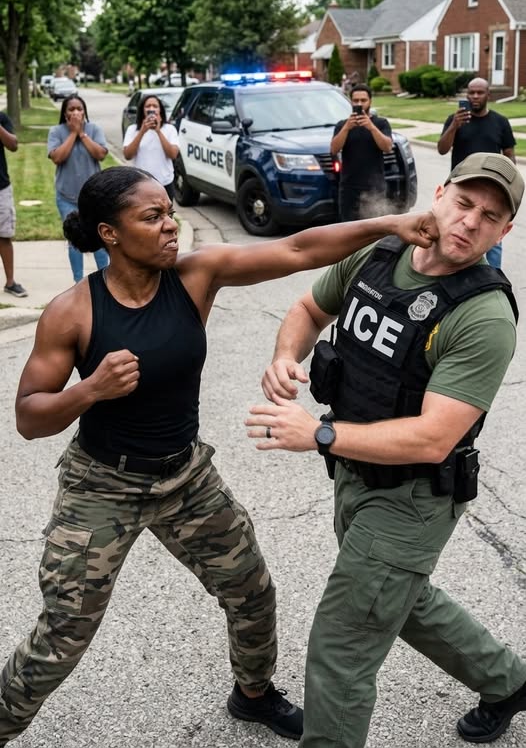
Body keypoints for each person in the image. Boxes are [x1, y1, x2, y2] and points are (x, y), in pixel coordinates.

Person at [0, 165, 438, 746]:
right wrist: (88, 391)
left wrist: (393, 224)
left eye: (169, 212)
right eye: (151, 217)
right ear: (109, 234)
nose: (170, 226)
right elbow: (29, 416)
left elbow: (298, 249)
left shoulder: (196, 276)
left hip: (185, 477)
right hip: (102, 485)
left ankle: (252, 693)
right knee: (64, 632)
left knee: (251, 591)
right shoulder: (72, 312)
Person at [248, 152, 526, 748]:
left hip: (412, 501)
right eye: (464, 202)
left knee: (341, 648)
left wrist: (318, 433)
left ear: (505, 232)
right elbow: (307, 308)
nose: (470, 221)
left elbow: (433, 437)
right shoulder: (380, 251)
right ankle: (508, 681)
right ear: (441, 191)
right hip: (355, 477)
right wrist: (284, 356)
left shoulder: (483, 314)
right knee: (401, 599)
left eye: (491, 215)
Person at [437, 77, 516, 268]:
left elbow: (509, 155)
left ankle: (491, 278)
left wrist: (508, 184)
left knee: (491, 240)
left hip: (491, 192)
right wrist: (454, 126)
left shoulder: (500, 122)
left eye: (479, 92)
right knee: (452, 233)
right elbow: (442, 148)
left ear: (488, 95)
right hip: (460, 189)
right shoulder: (455, 119)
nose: (474, 96)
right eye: (471, 92)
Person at [47, 94, 109, 283]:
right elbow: (58, 157)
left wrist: (82, 133)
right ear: (64, 113)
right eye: (71, 109)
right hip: (66, 197)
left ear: (84, 112)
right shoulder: (56, 131)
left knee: (98, 236)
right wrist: (73, 133)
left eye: (79, 109)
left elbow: (100, 154)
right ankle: (78, 282)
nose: (75, 112)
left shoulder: (94, 129)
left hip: (93, 197)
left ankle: (106, 279)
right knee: (74, 241)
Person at [330, 83, 393, 222]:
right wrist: (346, 128)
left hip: (374, 187)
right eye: (356, 100)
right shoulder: (342, 125)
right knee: (348, 228)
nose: (359, 103)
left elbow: (387, 147)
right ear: (351, 101)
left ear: (370, 101)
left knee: (375, 228)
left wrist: (371, 127)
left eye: (363, 100)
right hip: (349, 187)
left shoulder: (381, 123)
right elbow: (334, 149)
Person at [122, 94, 179, 200]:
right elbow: (127, 155)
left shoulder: (169, 129)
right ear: (142, 110)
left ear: (160, 110)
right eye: (148, 106)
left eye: (155, 106)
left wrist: (158, 131)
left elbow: (173, 154)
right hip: (141, 184)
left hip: (164, 182)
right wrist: (142, 131)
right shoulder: (132, 129)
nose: (151, 109)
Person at [0, 111, 27, 298]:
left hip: (1, 187)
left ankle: (10, 283)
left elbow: (13, 145)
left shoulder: (1, 118)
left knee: (4, 235)